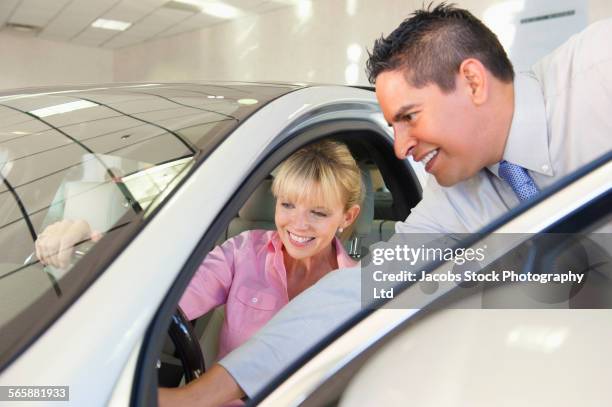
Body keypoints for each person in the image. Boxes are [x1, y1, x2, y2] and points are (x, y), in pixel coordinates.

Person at [159, 3, 612, 405]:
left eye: (409, 118)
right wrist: (200, 396)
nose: (399, 148)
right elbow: (357, 293)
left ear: (473, 81)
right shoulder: (456, 200)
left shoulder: (598, 75)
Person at [158, 140, 363, 405]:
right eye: (287, 205)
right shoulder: (242, 252)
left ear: (347, 217)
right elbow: (168, 304)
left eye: (318, 212)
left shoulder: (356, 290)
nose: (298, 224)